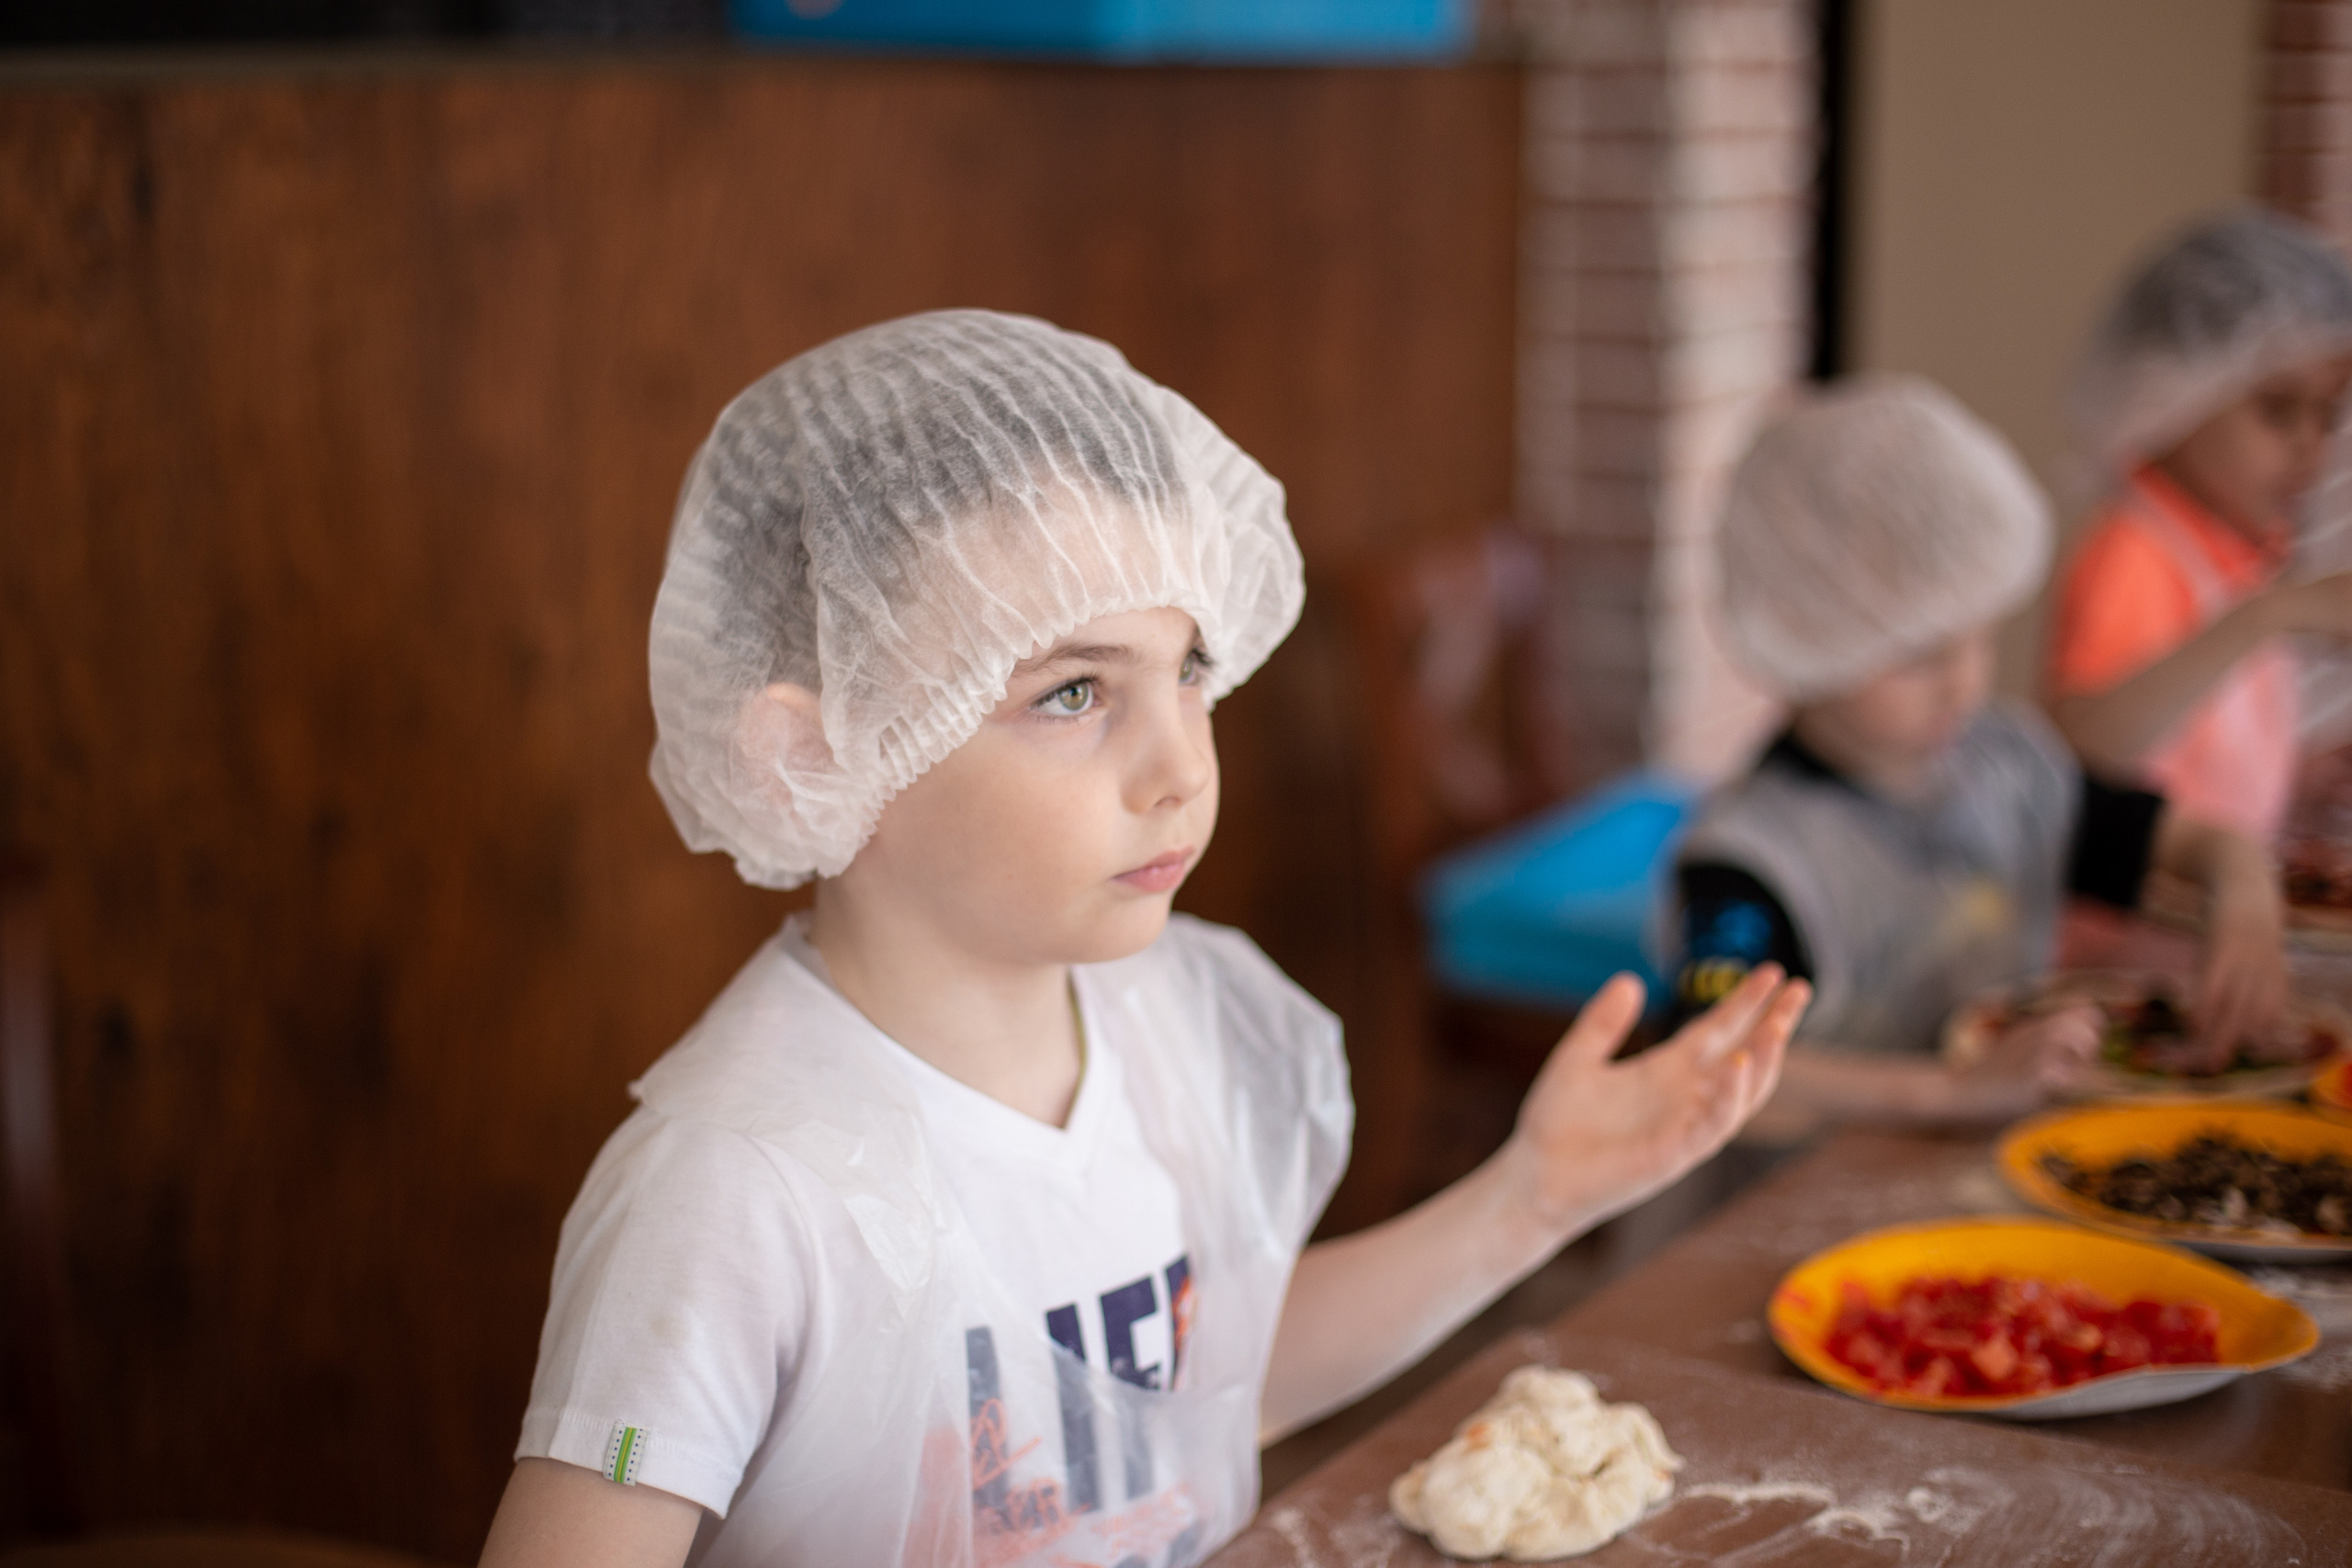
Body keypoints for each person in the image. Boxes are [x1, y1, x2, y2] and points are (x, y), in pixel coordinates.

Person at [476, 311, 1809, 1568]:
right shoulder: (732, 1188)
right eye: (1071, 692)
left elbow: (1202, 1391)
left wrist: (1539, 1192)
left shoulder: (1172, 1018)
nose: (1181, 766)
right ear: (820, 754)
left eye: (1188, 670)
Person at [1672, 377, 2286, 1143]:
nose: (1965, 679)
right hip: (1788, 1219)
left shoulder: (2007, 766)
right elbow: (1707, 1065)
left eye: (1979, 635)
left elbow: (2196, 843)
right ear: (1805, 640)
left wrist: (2245, 896)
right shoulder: (1748, 862)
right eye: (1920, 654)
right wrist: (1950, 1089)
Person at [2047, 208, 2352, 840]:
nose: (2309, 447)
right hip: (2115, 939)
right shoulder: (2134, 549)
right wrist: (2270, 613)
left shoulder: (2234, 553)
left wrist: (2297, 777)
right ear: (2175, 392)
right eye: (2277, 411)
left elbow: (2187, 758)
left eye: (2327, 415)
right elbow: (2086, 750)